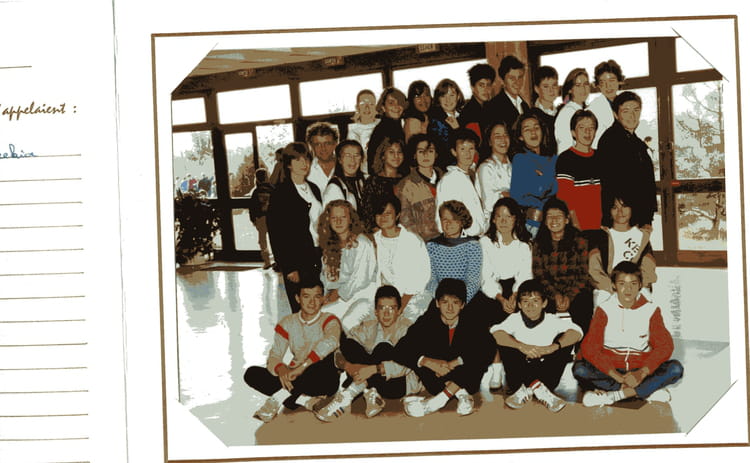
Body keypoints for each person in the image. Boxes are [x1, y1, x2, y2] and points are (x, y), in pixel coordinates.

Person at [573, 261, 684, 407]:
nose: (628, 289)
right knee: (580, 369)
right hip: (611, 370)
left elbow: (665, 346)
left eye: (633, 283)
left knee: (675, 368)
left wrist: (642, 373)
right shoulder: (604, 309)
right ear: (614, 285)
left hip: (640, 369)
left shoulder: (651, 310)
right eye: (622, 284)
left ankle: (616, 394)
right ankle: (645, 391)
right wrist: (617, 377)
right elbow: (590, 348)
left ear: (640, 285)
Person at [315, 285, 421, 422]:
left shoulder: (408, 329)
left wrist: (372, 369)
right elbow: (343, 349)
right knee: (346, 342)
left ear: (399, 311)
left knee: (383, 349)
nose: (386, 313)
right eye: (382, 308)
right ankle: (370, 392)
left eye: (391, 308)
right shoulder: (369, 326)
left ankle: (348, 395)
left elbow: (406, 365)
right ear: (375, 311)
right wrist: (349, 367)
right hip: (377, 381)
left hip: (398, 385)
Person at [244, 276, 342, 422]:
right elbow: (275, 355)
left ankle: (279, 398)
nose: (312, 302)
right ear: (297, 298)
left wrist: (301, 368)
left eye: (317, 297)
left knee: (324, 361)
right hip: (297, 378)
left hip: (322, 378)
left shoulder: (330, 320)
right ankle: (303, 400)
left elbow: (331, 342)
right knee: (252, 373)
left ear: (322, 299)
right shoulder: (287, 322)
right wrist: (281, 369)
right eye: (306, 296)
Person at [396, 278, 496, 417]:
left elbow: (489, 348)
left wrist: (456, 362)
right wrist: (428, 362)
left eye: (455, 303)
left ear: (462, 305)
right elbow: (401, 349)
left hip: (464, 372)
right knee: (420, 356)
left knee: (478, 357)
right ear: (437, 303)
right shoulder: (427, 321)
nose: (450, 308)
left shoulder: (473, 321)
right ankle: (461, 393)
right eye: (445, 302)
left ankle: (439, 401)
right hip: (437, 377)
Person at [490, 279, 582, 412]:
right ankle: (537, 388)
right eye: (525, 301)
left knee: (564, 340)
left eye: (535, 301)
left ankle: (531, 388)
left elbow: (577, 332)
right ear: (519, 304)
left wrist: (550, 348)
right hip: (519, 375)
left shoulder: (552, 320)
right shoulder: (514, 319)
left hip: (546, 376)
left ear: (544, 303)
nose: (530, 306)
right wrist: (522, 347)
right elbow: (495, 333)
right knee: (505, 339)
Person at [267, 142, 323, 313]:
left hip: (318, 255)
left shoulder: (314, 188)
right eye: (297, 159)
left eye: (306, 159)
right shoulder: (280, 193)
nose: (304, 163)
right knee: (302, 309)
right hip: (297, 259)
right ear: (289, 164)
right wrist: (289, 267)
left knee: (318, 306)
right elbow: (276, 234)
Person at [532, 197, 594, 334]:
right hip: (549, 291)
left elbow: (583, 275)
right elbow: (539, 275)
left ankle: (581, 343)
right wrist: (555, 295)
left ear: (566, 219)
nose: (554, 220)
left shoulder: (580, 240)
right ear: (545, 221)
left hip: (576, 290)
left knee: (584, 303)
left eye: (558, 216)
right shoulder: (538, 243)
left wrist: (569, 296)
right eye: (550, 216)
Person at [598, 91, 657, 228]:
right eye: (626, 111)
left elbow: (645, 182)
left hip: (637, 216)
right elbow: (614, 186)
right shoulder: (611, 140)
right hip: (622, 219)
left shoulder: (635, 141)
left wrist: (647, 218)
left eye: (636, 110)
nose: (632, 116)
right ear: (615, 114)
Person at [317, 200, 378, 326]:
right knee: (317, 318)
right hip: (342, 298)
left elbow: (360, 279)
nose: (338, 222)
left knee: (347, 322)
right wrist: (325, 297)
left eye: (343, 217)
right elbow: (327, 279)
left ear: (351, 219)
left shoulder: (361, 243)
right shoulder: (329, 246)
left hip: (363, 297)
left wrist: (336, 294)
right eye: (334, 218)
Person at [473, 197, 533, 327]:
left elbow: (525, 275)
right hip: (491, 290)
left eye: (508, 216)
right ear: (493, 220)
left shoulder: (524, 245)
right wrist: (500, 298)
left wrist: (515, 295)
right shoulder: (484, 243)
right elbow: (485, 277)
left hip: (518, 289)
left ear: (515, 218)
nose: (503, 221)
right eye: (499, 217)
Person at [589, 194, 657, 306]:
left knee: (645, 301)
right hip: (607, 288)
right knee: (602, 300)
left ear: (632, 208)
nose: (620, 212)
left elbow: (648, 268)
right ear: (609, 211)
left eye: (624, 206)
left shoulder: (642, 236)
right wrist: (614, 288)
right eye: (614, 207)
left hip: (636, 286)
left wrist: (633, 287)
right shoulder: (600, 237)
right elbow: (594, 269)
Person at [509, 112, 557, 237]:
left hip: (555, 222)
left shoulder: (553, 159)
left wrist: (542, 179)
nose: (533, 132)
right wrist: (548, 180)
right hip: (533, 224)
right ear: (520, 137)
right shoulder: (521, 159)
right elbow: (518, 196)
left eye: (536, 127)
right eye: (527, 129)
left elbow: (559, 189)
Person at [426, 201, 482, 304]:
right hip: (440, 299)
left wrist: (460, 301)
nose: (448, 223)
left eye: (454, 219)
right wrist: (442, 300)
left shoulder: (472, 245)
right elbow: (431, 279)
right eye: (445, 219)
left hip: (466, 299)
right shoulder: (432, 246)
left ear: (461, 222)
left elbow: (473, 281)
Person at [555, 109, 602, 232]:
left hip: (601, 227)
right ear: (573, 132)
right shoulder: (566, 159)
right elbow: (565, 198)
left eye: (591, 128)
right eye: (582, 127)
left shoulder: (601, 157)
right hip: (579, 228)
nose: (587, 132)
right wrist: (576, 227)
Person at [435, 128, 486, 237]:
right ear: (454, 152)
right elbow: (448, 217)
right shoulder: (450, 180)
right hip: (462, 239)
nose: (468, 153)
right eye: (462, 149)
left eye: (471, 148)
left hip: (478, 236)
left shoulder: (473, 174)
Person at [395, 133, 443, 241]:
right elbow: (406, 223)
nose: (426, 156)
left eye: (430, 151)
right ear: (414, 155)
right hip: (424, 242)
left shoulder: (447, 179)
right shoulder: (405, 186)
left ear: (436, 154)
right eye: (421, 152)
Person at [360, 137, 408, 232]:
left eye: (399, 152)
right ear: (383, 156)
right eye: (391, 152)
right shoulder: (373, 181)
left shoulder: (407, 180)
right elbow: (367, 215)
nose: (396, 156)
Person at [477, 121, 513, 226]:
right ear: (489, 142)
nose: (503, 139)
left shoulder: (514, 165)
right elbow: (489, 204)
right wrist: (509, 195)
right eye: (497, 136)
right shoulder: (486, 167)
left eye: (505, 135)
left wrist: (505, 194)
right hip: (493, 223)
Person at [427, 78, 465, 170]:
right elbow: (445, 151)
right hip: (447, 168)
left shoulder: (463, 116)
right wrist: (457, 130)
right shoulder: (436, 122)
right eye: (443, 96)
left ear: (458, 96)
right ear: (438, 99)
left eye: (452, 95)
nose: (448, 100)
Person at [367, 87, 406, 174]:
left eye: (399, 103)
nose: (396, 106)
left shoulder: (397, 126)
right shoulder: (383, 130)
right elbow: (374, 164)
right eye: (391, 103)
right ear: (383, 107)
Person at [487, 55, 530, 132]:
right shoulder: (493, 107)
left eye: (520, 77)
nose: (517, 82)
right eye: (512, 78)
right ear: (502, 80)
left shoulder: (525, 105)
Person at [589, 60, 624, 149]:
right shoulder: (593, 108)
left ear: (619, 81)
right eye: (602, 82)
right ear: (598, 85)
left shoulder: (625, 103)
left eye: (611, 80)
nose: (608, 86)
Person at [322, 140, 366, 211]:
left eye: (356, 155)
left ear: (361, 159)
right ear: (340, 159)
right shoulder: (334, 188)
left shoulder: (363, 182)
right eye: (348, 155)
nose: (352, 160)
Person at [555, 68, 590, 154]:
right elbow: (564, 148)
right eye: (578, 85)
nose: (583, 89)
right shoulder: (567, 113)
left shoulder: (586, 111)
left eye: (586, 84)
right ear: (570, 89)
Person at [458, 63, 496, 142]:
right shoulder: (467, 113)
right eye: (481, 85)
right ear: (472, 87)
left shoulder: (492, 107)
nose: (486, 89)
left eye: (488, 85)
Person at [247, 168, 275, 269]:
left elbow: (252, 207)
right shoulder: (273, 189)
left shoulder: (256, 192)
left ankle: (267, 261)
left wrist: (253, 219)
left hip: (261, 218)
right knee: (274, 240)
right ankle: (277, 260)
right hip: (272, 217)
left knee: (262, 241)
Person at [305, 122, 340, 194]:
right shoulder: (305, 171)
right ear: (310, 146)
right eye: (317, 144)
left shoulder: (346, 166)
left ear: (335, 143)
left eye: (327, 143)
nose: (323, 148)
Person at [531, 65, 559, 155]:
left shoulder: (561, 113)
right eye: (546, 86)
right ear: (536, 89)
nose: (551, 90)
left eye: (554, 85)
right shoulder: (532, 116)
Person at [347, 89, 379, 164]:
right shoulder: (353, 130)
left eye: (371, 104)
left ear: (375, 107)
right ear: (357, 107)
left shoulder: (382, 124)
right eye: (362, 104)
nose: (367, 108)